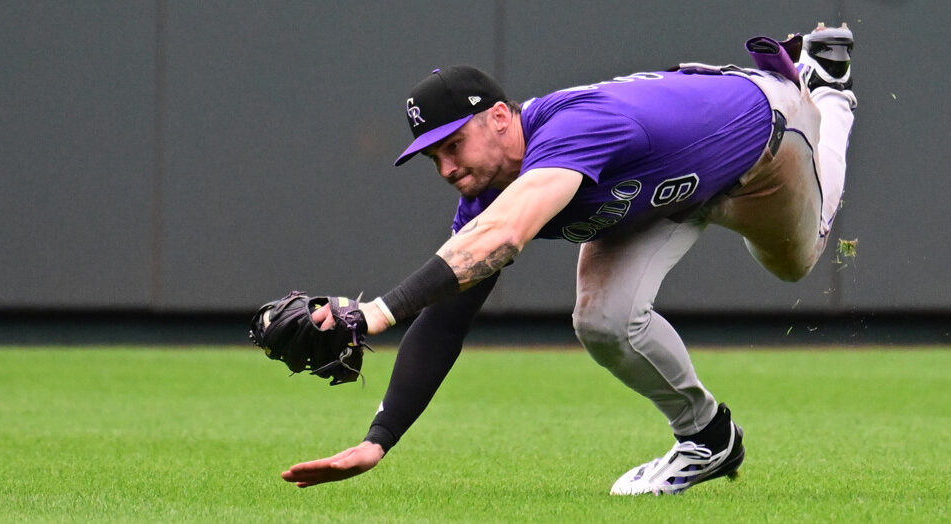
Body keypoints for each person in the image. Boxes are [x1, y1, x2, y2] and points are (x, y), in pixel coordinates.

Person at [279, 23, 857, 496]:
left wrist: (375, 313)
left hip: (762, 145)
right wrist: (378, 439)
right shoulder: (488, 193)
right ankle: (708, 437)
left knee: (796, 263)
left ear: (501, 118)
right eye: (434, 157)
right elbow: (448, 317)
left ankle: (827, 89)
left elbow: (503, 236)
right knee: (603, 320)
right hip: (660, 193)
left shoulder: (572, 128)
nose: (448, 168)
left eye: (454, 145)